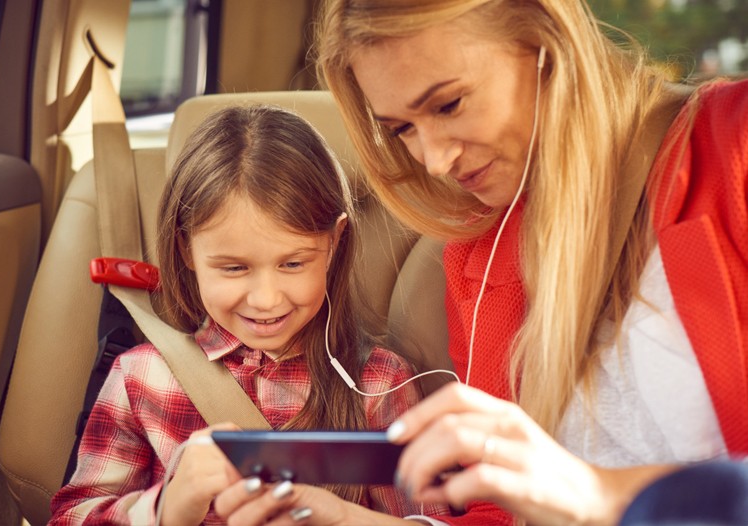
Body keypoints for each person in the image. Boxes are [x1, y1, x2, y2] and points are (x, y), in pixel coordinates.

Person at [212, 0, 748, 524]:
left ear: (544, 39)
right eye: (402, 129)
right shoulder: (482, 253)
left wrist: (599, 494)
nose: (435, 160)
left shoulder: (735, 147)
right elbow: (495, 513)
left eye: (449, 105)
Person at [49, 104, 450, 525]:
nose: (265, 299)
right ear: (186, 250)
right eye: (234, 268)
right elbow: (71, 517)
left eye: (292, 263)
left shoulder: (380, 384)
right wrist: (166, 508)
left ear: (334, 243)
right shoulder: (142, 379)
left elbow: (429, 517)